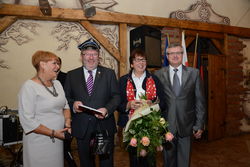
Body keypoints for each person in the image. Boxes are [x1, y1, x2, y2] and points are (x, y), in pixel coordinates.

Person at [64, 38, 120, 167]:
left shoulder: (109, 73)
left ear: (98, 56)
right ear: (81, 56)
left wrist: (107, 109)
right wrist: (73, 104)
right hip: (82, 127)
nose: (91, 57)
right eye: (87, 54)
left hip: (104, 126)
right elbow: (66, 97)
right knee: (86, 163)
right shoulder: (72, 75)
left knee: (106, 163)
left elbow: (116, 97)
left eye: (94, 54)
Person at [155, 43, 206, 167]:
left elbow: (200, 101)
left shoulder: (194, 73)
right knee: (168, 162)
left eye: (178, 53)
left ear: (183, 55)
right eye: (172, 53)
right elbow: (156, 102)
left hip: (187, 125)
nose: (175, 56)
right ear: (167, 56)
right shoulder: (158, 74)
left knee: (184, 162)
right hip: (167, 126)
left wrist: (199, 124)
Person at [18, 50, 71, 167]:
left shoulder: (57, 84)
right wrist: (54, 133)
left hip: (57, 139)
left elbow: (65, 106)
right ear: (42, 64)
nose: (58, 67)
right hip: (39, 141)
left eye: (58, 63)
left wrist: (67, 123)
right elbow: (28, 120)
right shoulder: (29, 87)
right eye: (54, 63)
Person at [117, 48, 166, 167]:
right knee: (134, 159)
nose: (141, 63)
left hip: (150, 125)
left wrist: (153, 104)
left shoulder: (154, 79)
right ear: (132, 64)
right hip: (131, 124)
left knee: (150, 160)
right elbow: (117, 104)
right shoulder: (123, 80)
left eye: (143, 60)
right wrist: (129, 105)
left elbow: (164, 103)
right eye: (137, 60)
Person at [57, 57, 77, 167]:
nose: (56, 65)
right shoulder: (45, 80)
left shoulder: (66, 77)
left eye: (58, 63)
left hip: (67, 116)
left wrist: (69, 118)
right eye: (53, 63)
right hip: (53, 119)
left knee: (65, 146)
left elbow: (69, 97)